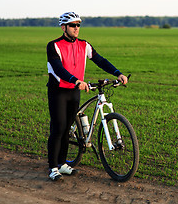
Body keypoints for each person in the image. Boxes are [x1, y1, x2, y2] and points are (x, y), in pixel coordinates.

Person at [46, 12, 128, 181]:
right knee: (59, 127)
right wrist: (75, 80)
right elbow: (58, 68)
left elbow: (100, 60)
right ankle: (53, 167)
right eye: (73, 25)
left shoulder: (84, 45)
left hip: (74, 91)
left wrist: (117, 73)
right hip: (59, 90)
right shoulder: (53, 45)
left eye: (78, 25)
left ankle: (62, 164)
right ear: (64, 28)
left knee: (68, 127)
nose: (77, 28)